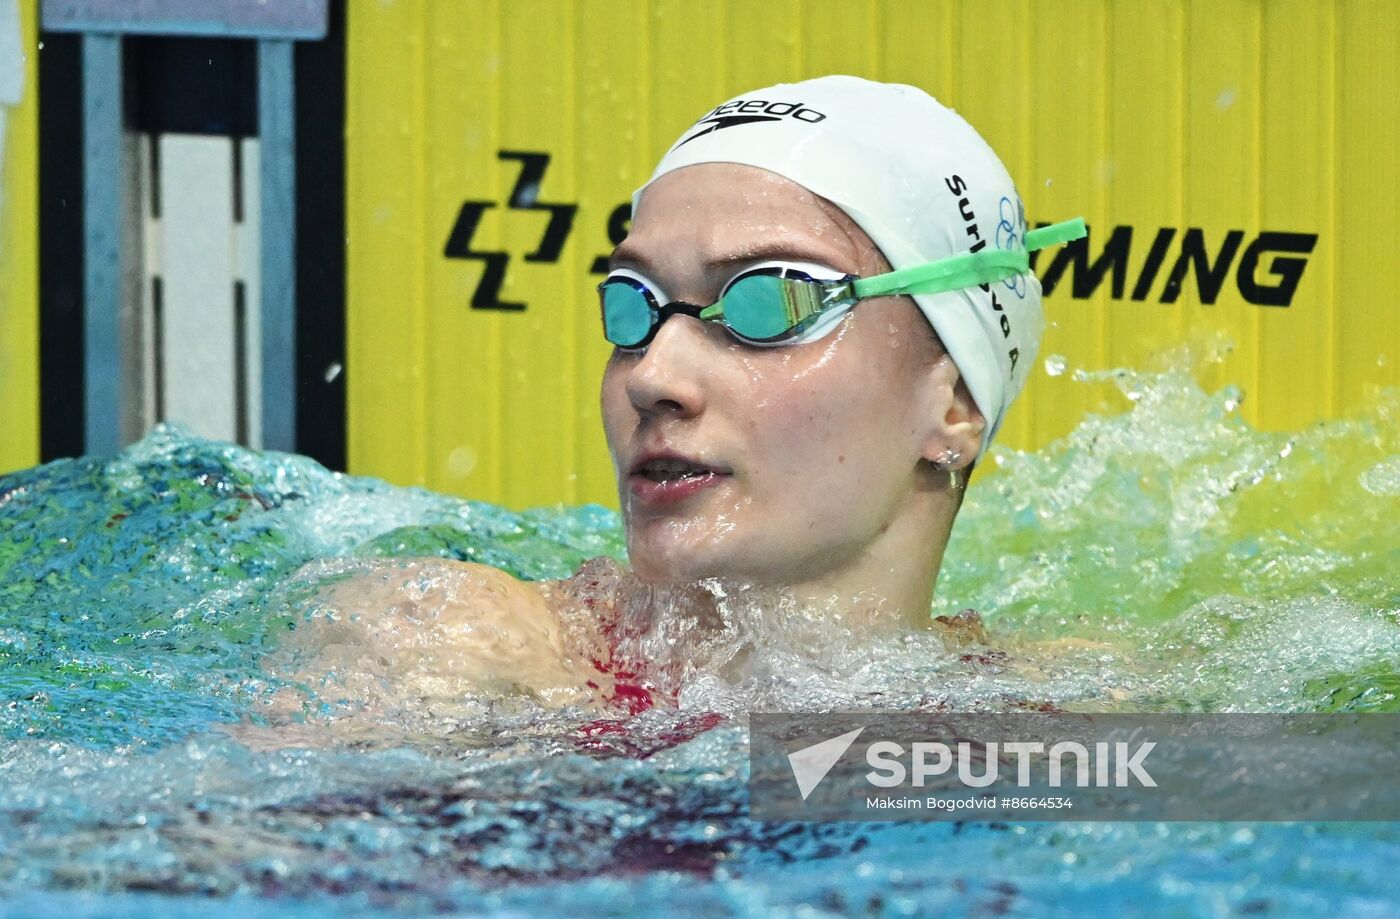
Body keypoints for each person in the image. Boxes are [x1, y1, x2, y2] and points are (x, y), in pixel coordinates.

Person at [248, 76, 1084, 734]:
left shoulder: (1058, 706)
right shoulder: (459, 649)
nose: (653, 373)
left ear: (957, 407)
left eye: (770, 303)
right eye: (634, 304)